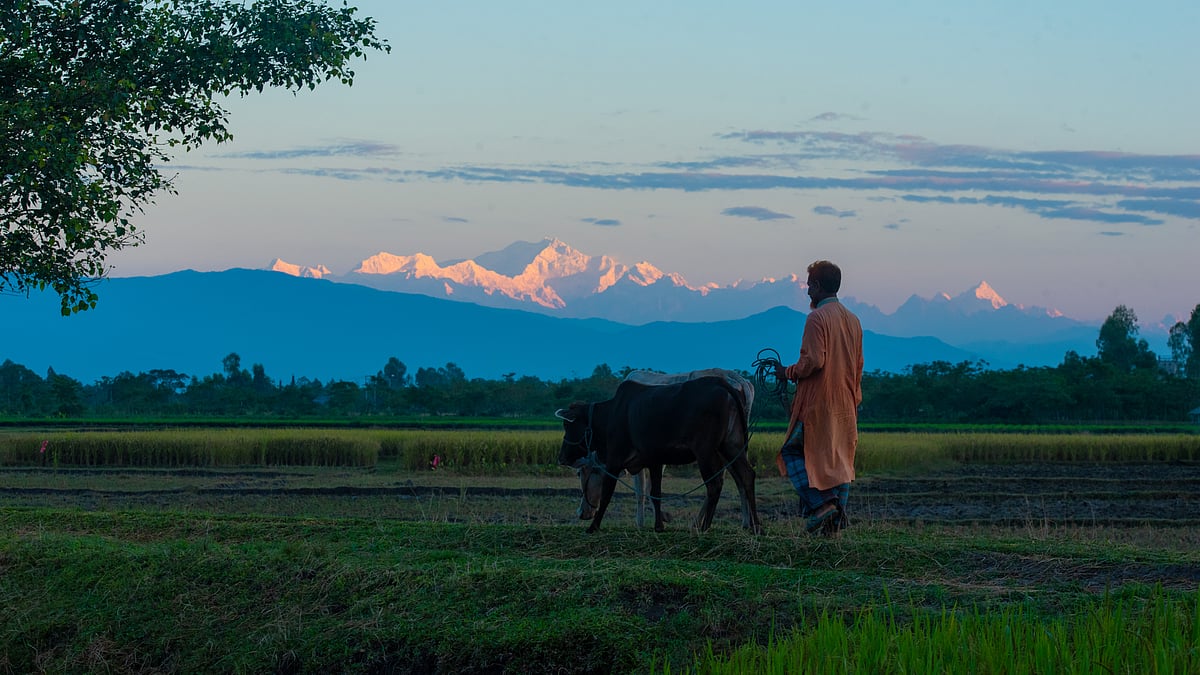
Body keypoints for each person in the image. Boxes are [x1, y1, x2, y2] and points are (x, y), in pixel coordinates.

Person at [774, 260, 864, 536]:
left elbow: (813, 361)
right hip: (846, 403)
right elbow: (858, 365)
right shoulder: (853, 320)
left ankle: (821, 506)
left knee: (791, 452)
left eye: (808, 285)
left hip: (819, 404)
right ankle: (833, 527)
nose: (807, 291)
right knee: (839, 462)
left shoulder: (817, 318)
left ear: (816, 286)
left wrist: (786, 372)